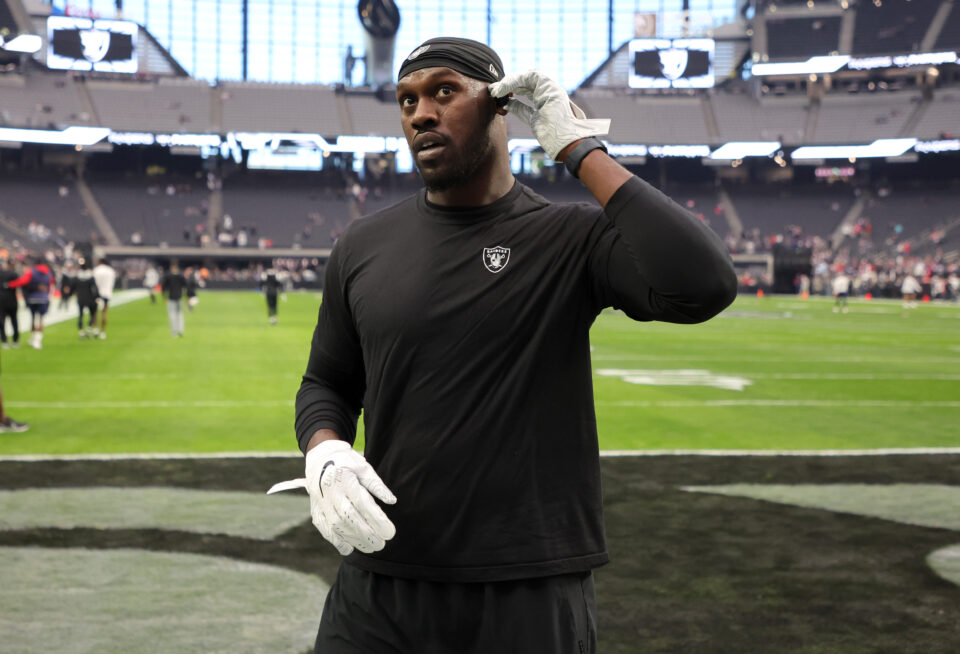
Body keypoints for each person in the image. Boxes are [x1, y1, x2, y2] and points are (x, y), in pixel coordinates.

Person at [278, 37, 736, 654]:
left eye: (444, 91)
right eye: (408, 100)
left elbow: (704, 286)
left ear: (500, 105)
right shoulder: (362, 246)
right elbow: (326, 383)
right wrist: (325, 451)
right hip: (381, 581)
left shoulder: (570, 237)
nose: (421, 113)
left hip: (528, 586)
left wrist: (579, 149)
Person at [6, 257, 54, 349]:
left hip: (32, 298)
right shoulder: (48, 274)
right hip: (43, 298)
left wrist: (10, 284)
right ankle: (38, 340)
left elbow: (22, 281)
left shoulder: (31, 272)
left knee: (33, 319)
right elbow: (50, 286)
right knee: (40, 319)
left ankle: (33, 338)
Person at [73, 260, 99, 338]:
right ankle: (88, 326)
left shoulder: (78, 276)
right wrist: (97, 297)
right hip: (89, 297)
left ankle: (81, 331)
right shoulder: (90, 276)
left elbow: (73, 286)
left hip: (80, 298)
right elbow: (95, 287)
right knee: (92, 314)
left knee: (80, 315)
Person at [92, 258, 117, 339]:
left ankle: (96, 328)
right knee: (104, 312)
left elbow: (93, 282)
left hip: (97, 293)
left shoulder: (96, 270)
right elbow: (112, 283)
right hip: (106, 293)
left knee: (95, 312)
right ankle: (102, 331)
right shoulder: (111, 271)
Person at [161, 263, 187, 337]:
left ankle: (174, 331)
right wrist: (185, 295)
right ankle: (180, 330)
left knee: (172, 314)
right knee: (180, 314)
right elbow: (185, 285)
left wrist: (164, 296)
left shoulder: (168, 276)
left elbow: (163, 287)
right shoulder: (181, 276)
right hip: (179, 297)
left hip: (171, 297)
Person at [0, 259, 20, 349]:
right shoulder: (14, 274)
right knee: (14, 321)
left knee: (2, 322)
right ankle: (15, 341)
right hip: (12, 301)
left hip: (2, 301)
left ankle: (4, 341)